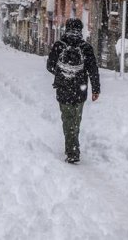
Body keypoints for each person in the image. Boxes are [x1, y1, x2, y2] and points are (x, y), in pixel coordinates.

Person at [46, 18, 100, 164]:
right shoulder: (85, 47)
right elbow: (93, 70)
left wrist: (62, 74)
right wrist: (96, 89)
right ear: (80, 30)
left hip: (63, 89)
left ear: (66, 29)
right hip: (80, 90)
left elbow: (49, 65)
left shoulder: (59, 45)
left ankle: (71, 150)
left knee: (67, 119)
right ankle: (73, 147)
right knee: (76, 120)